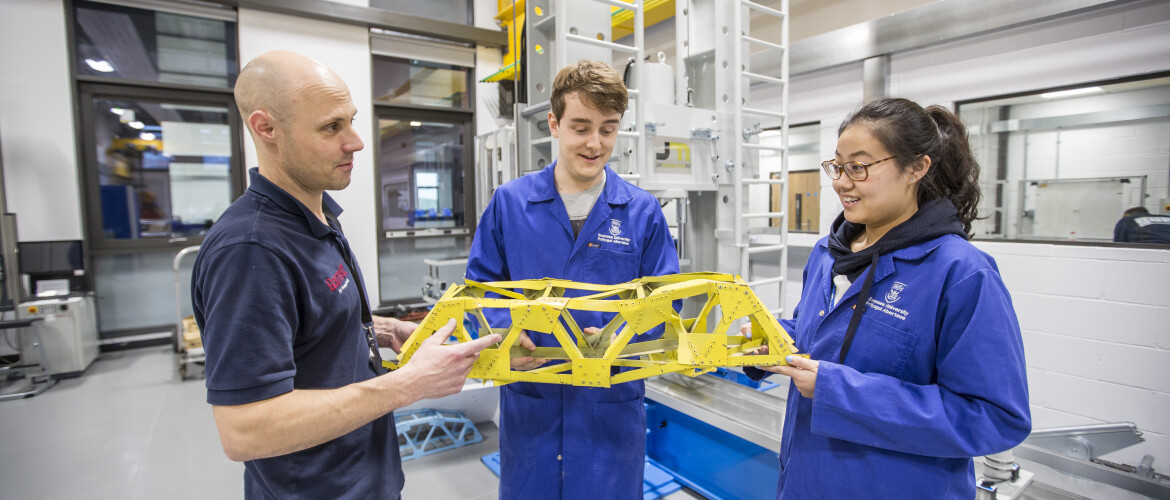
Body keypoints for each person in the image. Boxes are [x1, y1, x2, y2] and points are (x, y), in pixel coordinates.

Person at [191, 51, 500, 499]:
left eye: (351, 121)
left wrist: (374, 328)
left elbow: (306, 329)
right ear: (266, 128)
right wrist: (407, 384)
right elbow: (245, 429)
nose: (355, 141)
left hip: (366, 476)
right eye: (331, 127)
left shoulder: (315, 218)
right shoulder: (251, 250)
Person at [743, 97, 1031, 498]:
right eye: (838, 166)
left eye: (859, 167)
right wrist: (771, 338)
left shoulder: (961, 272)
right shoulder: (828, 255)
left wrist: (839, 390)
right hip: (807, 480)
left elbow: (993, 417)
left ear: (916, 168)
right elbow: (821, 337)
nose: (842, 181)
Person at [465, 60, 680, 499]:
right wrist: (508, 331)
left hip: (609, 408)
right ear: (554, 124)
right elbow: (478, 293)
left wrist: (625, 335)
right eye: (581, 127)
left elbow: (666, 302)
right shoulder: (510, 204)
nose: (595, 143)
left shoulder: (641, 212)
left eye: (608, 128)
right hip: (533, 404)